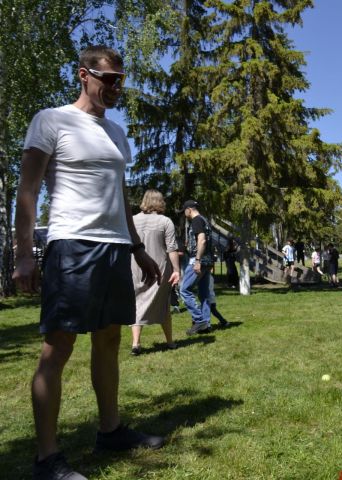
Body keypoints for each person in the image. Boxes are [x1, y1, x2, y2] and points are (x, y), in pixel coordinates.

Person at [12, 45, 164, 480]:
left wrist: (135, 246)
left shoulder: (116, 133)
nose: (116, 87)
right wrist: (25, 253)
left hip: (114, 245)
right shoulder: (52, 120)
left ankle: (110, 430)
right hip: (72, 245)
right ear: (84, 75)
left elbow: (118, 194)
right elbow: (28, 189)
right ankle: (47, 457)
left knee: (110, 340)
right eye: (108, 79)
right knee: (57, 348)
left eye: (121, 79)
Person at [130, 190, 182, 355]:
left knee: (136, 303)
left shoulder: (131, 220)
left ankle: (136, 343)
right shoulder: (165, 222)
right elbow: (172, 248)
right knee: (164, 306)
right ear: (160, 202)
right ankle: (170, 342)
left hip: (135, 268)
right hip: (159, 270)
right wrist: (176, 270)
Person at [179, 199, 214, 335]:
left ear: (189, 209)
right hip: (208, 260)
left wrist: (197, 260)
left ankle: (199, 321)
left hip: (198, 260)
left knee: (184, 290)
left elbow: (202, 240)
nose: (184, 214)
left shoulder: (196, 220)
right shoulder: (205, 221)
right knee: (204, 294)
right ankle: (206, 324)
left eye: (184, 212)